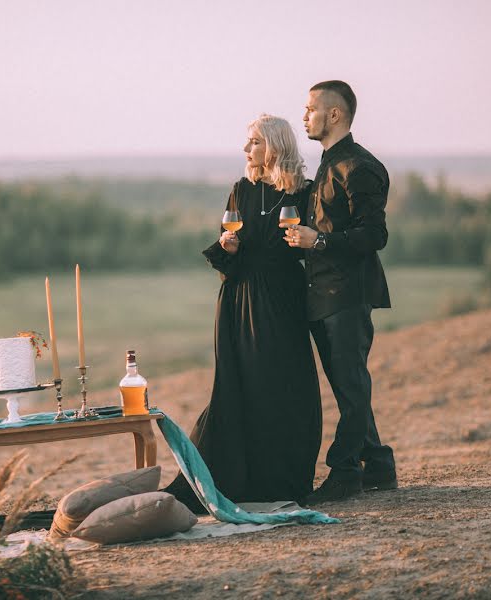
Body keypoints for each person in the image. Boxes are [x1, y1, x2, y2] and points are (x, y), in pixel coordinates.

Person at [164, 114, 322, 512]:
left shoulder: (304, 192)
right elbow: (228, 250)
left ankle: (284, 477)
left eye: (253, 141)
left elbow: (312, 248)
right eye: (247, 141)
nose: (246, 148)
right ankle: (239, 477)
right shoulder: (241, 190)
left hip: (283, 300)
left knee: (285, 384)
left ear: (275, 145)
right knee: (241, 385)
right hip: (239, 301)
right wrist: (227, 248)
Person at [284, 80, 397, 504]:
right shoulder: (328, 164)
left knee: (351, 387)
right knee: (348, 387)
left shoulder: (358, 167)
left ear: (334, 115)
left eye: (310, 108)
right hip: (323, 296)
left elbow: (375, 234)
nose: (304, 115)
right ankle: (380, 465)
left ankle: (346, 472)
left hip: (347, 296)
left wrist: (320, 242)